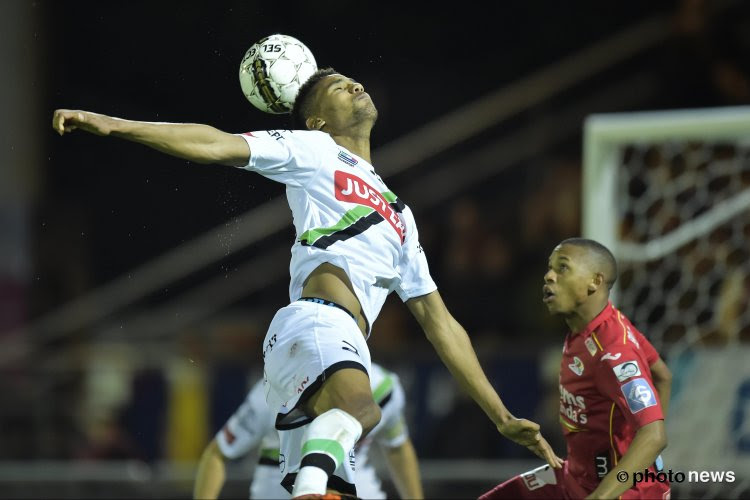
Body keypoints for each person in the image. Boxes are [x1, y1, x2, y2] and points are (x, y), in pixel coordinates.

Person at [53, 66, 561, 499]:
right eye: (338, 86)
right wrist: (116, 125)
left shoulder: (402, 216)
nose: (354, 85)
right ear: (317, 120)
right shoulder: (314, 151)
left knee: (335, 472)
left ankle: (312, 486)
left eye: (352, 80)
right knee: (363, 410)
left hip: (332, 345)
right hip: (316, 325)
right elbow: (215, 143)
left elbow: (441, 324)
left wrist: (500, 415)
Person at [480, 238, 673, 499]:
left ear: (594, 281)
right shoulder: (592, 327)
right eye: (549, 268)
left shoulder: (614, 352)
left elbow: (654, 436)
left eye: (562, 268)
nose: (548, 276)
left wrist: (636, 471)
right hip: (576, 477)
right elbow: (662, 375)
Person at [193, 362, 423, 499]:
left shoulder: (384, 389)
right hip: (280, 488)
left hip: (356, 484)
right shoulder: (272, 394)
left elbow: (398, 447)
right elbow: (218, 454)